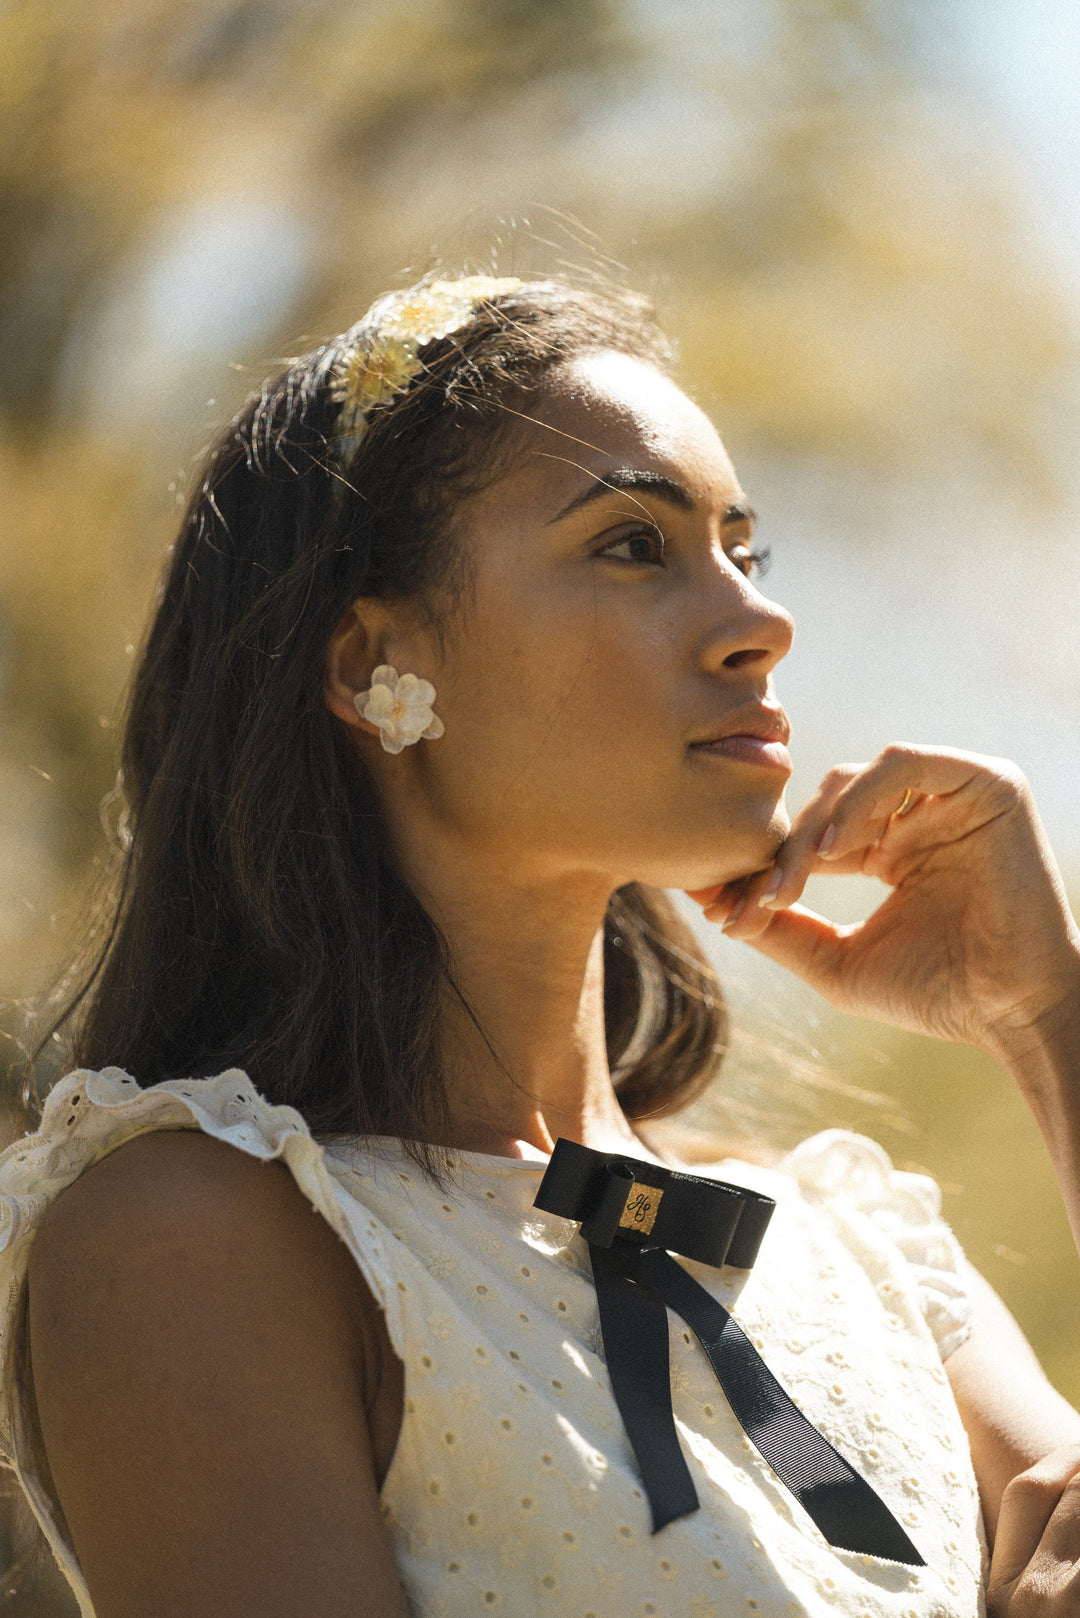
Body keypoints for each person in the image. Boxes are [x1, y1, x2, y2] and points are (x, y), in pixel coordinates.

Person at [2, 271, 1079, 1618]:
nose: (763, 620)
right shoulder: (202, 1238)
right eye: (634, 543)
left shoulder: (864, 1247)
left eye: (746, 549)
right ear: (371, 667)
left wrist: (1045, 1016)